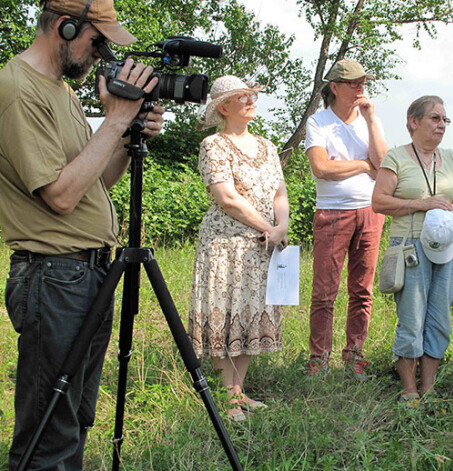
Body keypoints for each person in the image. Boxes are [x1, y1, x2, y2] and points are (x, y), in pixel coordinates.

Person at [0, 0, 165, 468]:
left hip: (86, 274)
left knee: (73, 416)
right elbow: (60, 197)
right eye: (97, 41)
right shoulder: (16, 89)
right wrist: (113, 119)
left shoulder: (61, 91)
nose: (101, 55)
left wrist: (129, 137)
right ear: (65, 26)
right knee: (49, 432)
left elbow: (93, 185)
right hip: (54, 279)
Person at [188, 75, 289, 422]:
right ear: (223, 107)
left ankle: (239, 393)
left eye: (251, 95)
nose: (250, 100)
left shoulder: (267, 146)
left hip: (262, 246)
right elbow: (227, 198)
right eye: (241, 97)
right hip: (225, 246)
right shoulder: (213, 145)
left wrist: (282, 226)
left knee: (249, 318)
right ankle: (228, 400)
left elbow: (280, 194)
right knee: (225, 315)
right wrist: (269, 228)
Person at [372, 95, 453, 407]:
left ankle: (428, 388)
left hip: (446, 247)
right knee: (412, 317)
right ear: (414, 122)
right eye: (435, 118)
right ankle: (408, 390)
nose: (442, 125)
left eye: (445, 120)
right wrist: (422, 204)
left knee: (440, 315)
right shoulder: (396, 158)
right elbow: (379, 202)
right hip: (410, 248)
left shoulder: (452, 158)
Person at [304, 59, 387, 379]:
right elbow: (321, 168)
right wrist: (364, 165)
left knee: (362, 291)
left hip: (371, 212)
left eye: (363, 83)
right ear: (335, 87)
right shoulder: (319, 122)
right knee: (324, 291)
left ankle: (354, 355)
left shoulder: (369, 121)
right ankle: (319, 360)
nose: (360, 88)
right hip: (332, 212)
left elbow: (383, 164)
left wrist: (372, 119)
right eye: (353, 83)